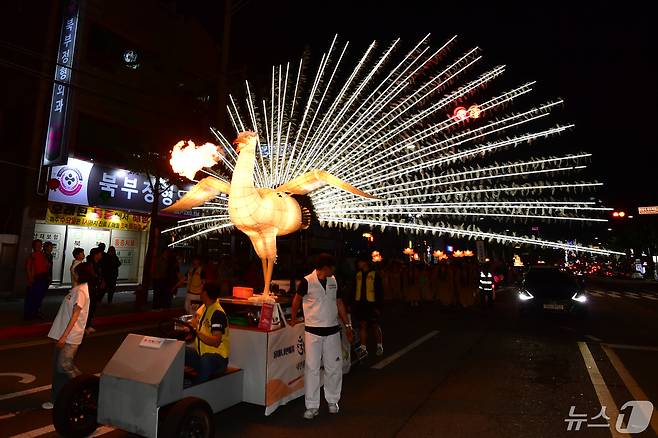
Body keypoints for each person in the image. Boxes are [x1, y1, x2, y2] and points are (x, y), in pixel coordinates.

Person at [290, 253, 353, 419]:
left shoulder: (333, 281)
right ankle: (312, 406)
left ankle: (333, 400)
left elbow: (339, 303)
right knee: (312, 369)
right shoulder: (307, 281)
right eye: (332, 267)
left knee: (334, 368)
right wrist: (294, 317)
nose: (335, 270)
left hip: (332, 330)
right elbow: (296, 300)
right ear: (326, 267)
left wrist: (347, 325)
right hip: (313, 332)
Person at [43, 262, 93, 410]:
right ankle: (56, 399)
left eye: (74, 272)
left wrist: (64, 336)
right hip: (63, 335)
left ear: (78, 274)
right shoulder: (77, 289)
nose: (72, 273)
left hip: (70, 338)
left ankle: (85, 386)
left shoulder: (81, 292)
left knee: (64, 366)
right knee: (58, 369)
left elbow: (75, 315)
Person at [184, 283, 229, 384]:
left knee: (206, 360)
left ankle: (197, 389)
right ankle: (177, 384)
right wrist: (188, 328)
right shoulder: (203, 308)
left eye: (201, 290)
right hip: (201, 354)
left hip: (217, 359)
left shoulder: (218, 313)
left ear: (204, 293)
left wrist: (196, 331)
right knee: (180, 351)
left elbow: (216, 341)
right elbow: (194, 324)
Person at [352, 255, 384, 359]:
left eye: (360, 262)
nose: (358, 264)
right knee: (362, 325)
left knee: (375, 325)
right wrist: (351, 304)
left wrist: (378, 306)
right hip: (361, 305)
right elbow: (353, 290)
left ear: (365, 262)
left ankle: (379, 346)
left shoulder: (375, 274)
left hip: (372, 305)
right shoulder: (357, 274)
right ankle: (363, 348)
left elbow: (379, 291)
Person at [24, 239, 50, 320]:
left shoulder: (42, 255)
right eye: (37, 245)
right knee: (32, 297)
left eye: (40, 245)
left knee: (39, 297)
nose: (39, 246)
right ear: (34, 246)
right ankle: (29, 314)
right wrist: (30, 278)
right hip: (36, 278)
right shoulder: (32, 256)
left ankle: (35, 312)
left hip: (43, 278)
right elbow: (28, 268)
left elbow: (46, 266)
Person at [85, 248, 105, 334]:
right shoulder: (90, 264)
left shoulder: (98, 263)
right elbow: (92, 275)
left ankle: (88, 325)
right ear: (95, 255)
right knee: (89, 308)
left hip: (95, 288)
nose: (101, 255)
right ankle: (85, 326)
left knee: (92, 308)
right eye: (100, 254)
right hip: (91, 288)